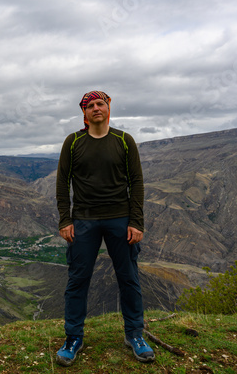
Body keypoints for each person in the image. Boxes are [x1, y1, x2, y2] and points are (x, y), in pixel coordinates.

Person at [55, 90, 155, 366]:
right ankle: (73, 337)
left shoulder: (124, 141)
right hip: (83, 221)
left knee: (129, 278)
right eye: (90, 106)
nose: (96, 108)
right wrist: (65, 220)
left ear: (109, 108)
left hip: (120, 220)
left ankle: (135, 334)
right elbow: (62, 182)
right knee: (78, 281)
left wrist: (136, 221)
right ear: (84, 113)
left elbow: (136, 182)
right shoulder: (73, 142)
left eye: (100, 104)